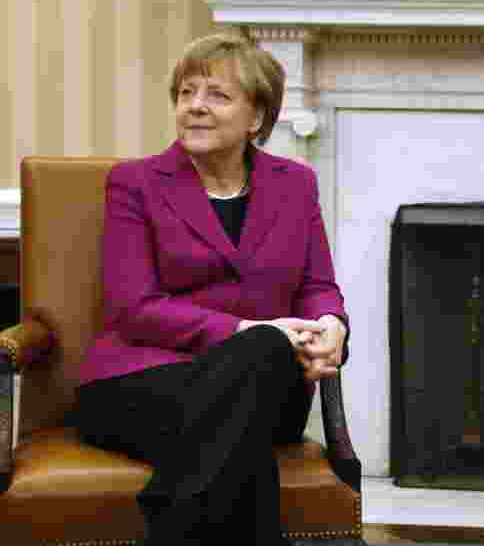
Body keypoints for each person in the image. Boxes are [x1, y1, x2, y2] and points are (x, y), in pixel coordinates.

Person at [73, 33, 350, 546]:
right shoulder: (135, 183)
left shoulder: (295, 184)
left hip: (267, 384)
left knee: (260, 361)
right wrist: (246, 331)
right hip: (142, 383)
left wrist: (332, 324)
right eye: (186, 92)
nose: (195, 106)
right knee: (243, 439)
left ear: (256, 117)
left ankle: (171, 517)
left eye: (217, 95)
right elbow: (134, 308)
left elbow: (317, 285)